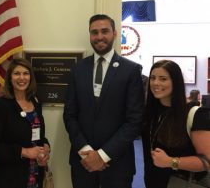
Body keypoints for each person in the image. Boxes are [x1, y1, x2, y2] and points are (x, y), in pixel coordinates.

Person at [63, 14, 145, 188]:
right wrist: (86, 151)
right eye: (94, 32)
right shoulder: (77, 70)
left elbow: (134, 120)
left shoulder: (131, 71)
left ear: (115, 33)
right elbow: (70, 115)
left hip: (118, 163)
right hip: (83, 162)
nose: (99, 37)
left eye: (105, 31)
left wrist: (102, 155)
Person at [0, 58, 50, 188]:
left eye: (26, 73)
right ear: (9, 78)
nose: (22, 77)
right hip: (7, 179)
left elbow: (36, 135)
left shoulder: (35, 103)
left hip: (34, 175)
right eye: (16, 73)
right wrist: (24, 152)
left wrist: (46, 146)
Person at [142, 60, 210, 188]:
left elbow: (206, 161)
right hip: (153, 182)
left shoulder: (194, 114)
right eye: (153, 78)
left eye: (163, 79)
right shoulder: (150, 112)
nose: (156, 83)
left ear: (175, 82)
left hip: (182, 183)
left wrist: (170, 162)